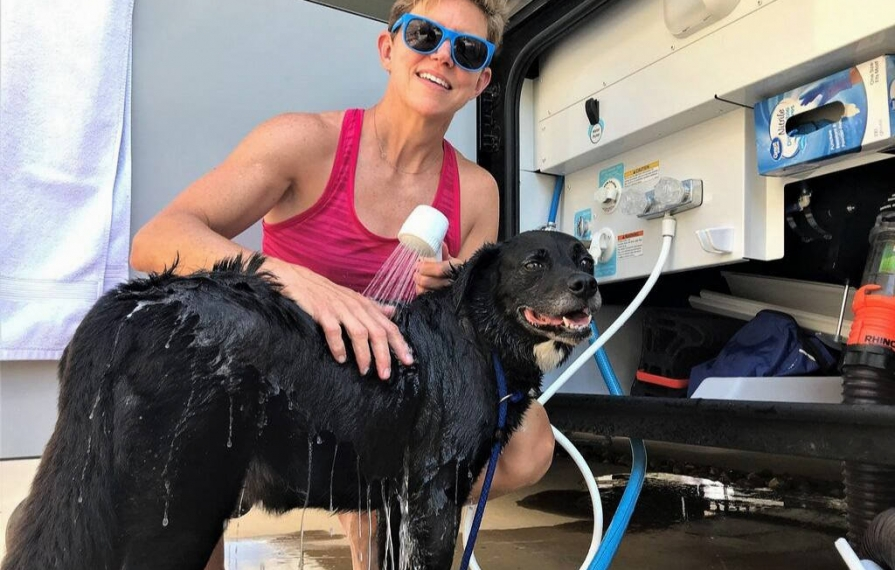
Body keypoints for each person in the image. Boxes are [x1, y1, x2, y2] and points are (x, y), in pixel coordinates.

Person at [129, 0, 556, 568]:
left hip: (386, 387)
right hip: (284, 377)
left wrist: (458, 292)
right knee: (192, 482)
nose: (443, 56)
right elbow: (157, 239)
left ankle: (385, 497)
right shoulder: (303, 142)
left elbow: (476, 343)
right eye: (425, 35)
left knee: (527, 447)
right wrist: (294, 281)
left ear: (481, 81)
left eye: (468, 49)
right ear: (388, 48)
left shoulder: (475, 191)